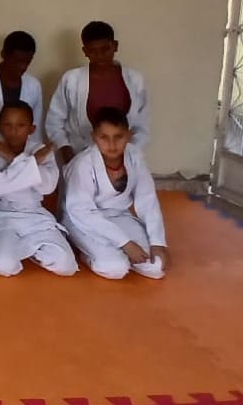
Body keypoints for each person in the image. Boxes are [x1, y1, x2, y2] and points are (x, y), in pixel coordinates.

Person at [62, 107, 168, 280]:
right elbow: (81, 211)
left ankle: (116, 251)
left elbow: (147, 199)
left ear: (129, 135)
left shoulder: (134, 156)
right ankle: (88, 254)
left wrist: (158, 242)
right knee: (115, 268)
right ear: (94, 137)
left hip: (119, 216)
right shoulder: (84, 163)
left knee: (156, 266)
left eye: (119, 137)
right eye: (104, 137)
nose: (112, 145)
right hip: (83, 221)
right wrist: (125, 243)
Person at [0, 103, 77, 278]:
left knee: (66, 266)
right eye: (8, 125)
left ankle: (28, 250)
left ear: (31, 129)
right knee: (4, 266)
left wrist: (12, 158)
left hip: (35, 215)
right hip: (4, 215)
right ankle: (26, 248)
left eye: (20, 125)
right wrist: (33, 163)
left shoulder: (41, 150)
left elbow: (47, 186)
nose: (13, 131)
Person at [47, 21, 150, 165]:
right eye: (92, 51)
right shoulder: (72, 80)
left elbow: (142, 124)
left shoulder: (135, 80)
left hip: (123, 158)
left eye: (105, 49)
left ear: (115, 46)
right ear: (85, 51)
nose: (99, 56)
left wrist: (130, 153)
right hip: (79, 155)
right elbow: (54, 121)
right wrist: (65, 148)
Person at [0, 31, 44, 153]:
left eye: (27, 62)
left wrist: (33, 156)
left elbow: (35, 129)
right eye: (17, 61)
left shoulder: (33, 85)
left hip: (21, 155)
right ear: (3, 54)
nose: (23, 67)